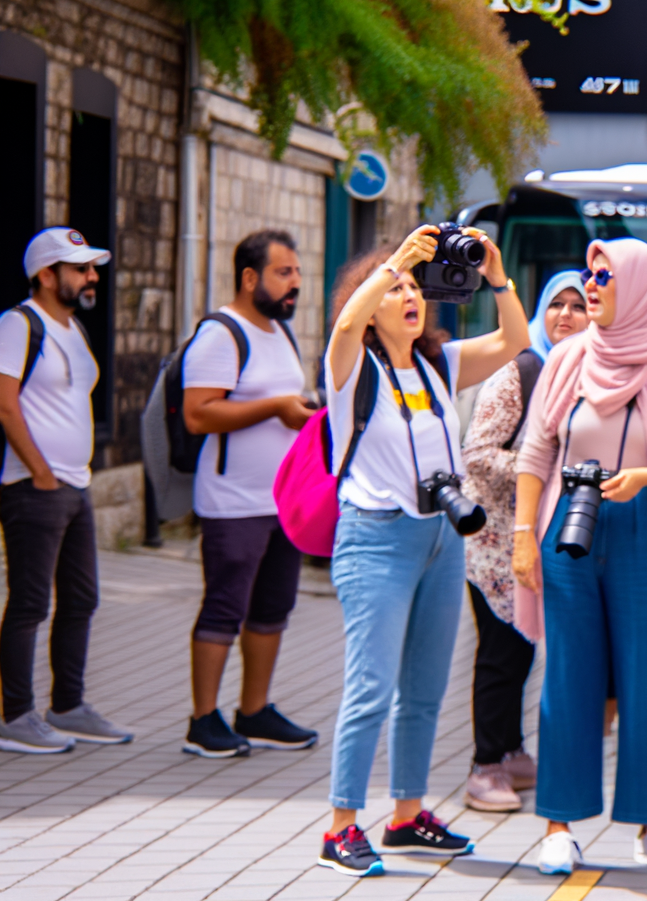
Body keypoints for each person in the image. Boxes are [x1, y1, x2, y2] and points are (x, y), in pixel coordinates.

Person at [318, 226, 530, 877]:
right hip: (376, 539)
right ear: (373, 301)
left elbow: (516, 344)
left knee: (425, 689)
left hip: (443, 538)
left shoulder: (438, 362)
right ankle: (340, 828)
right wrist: (396, 261)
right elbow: (344, 327)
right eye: (397, 288)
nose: (410, 296)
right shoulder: (351, 365)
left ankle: (407, 816)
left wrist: (498, 277)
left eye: (416, 286)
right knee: (371, 688)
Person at [512, 238, 647, 874]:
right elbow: (535, 451)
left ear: (641, 288)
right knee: (567, 679)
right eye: (589, 273)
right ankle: (559, 826)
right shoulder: (568, 359)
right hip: (567, 528)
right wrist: (524, 532)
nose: (593, 284)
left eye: (605, 276)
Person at [181, 230, 319, 759]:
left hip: (282, 500)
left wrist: (300, 408)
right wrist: (276, 409)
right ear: (249, 278)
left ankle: (255, 711)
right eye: (285, 273)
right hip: (233, 502)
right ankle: (202, 720)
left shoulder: (279, 332)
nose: (296, 284)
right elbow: (199, 414)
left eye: (297, 274)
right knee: (224, 607)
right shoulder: (222, 333)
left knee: (272, 609)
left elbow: (282, 401)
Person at [459, 270, 589, 811]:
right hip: (495, 539)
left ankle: (512, 751)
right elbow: (478, 453)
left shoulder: (588, 372)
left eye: (577, 306)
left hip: (545, 536)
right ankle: (485, 765)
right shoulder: (523, 370)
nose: (565, 315)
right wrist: (546, 469)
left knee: (523, 652)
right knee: (501, 653)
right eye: (555, 304)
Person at [0, 227, 132, 753]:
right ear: (47, 275)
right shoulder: (17, 325)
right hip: (35, 487)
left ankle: (69, 705)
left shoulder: (73, 329)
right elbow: (6, 404)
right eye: (80, 268)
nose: (91, 276)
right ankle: (14, 715)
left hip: (75, 486)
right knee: (31, 602)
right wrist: (41, 470)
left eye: (91, 267)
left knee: (81, 599)